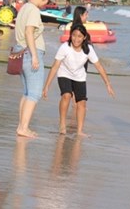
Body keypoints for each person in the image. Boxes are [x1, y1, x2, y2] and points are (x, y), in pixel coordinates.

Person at [42, 7, 114, 137]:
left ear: (84, 37)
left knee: (81, 103)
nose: (76, 39)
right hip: (64, 74)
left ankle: (80, 130)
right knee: (67, 95)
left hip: (79, 77)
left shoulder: (88, 50)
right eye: (74, 36)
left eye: (79, 36)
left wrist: (107, 84)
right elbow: (55, 67)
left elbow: (99, 66)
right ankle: (62, 124)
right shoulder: (65, 47)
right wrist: (46, 86)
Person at [13, 0, 53, 138]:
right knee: (34, 94)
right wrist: (35, 55)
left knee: (27, 92)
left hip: (21, 52)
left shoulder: (24, 8)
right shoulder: (34, 11)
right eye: (47, 1)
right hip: (30, 54)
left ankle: (21, 125)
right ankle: (23, 127)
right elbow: (29, 32)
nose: (46, 5)